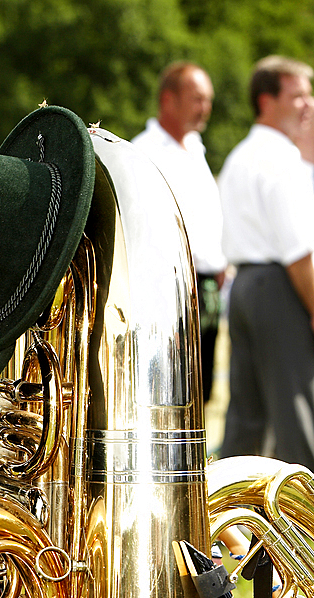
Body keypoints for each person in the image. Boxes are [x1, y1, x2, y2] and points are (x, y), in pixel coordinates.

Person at [219, 55, 314, 467]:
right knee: (298, 414)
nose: (308, 104)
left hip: (244, 287)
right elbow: (299, 253)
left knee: (245, 419)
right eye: (297, 95)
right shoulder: (281, 159)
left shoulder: (240, 155)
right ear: (266, 100)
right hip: (280, 288)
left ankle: (228, 523)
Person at [132, 62, 226, 403]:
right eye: (197, 98)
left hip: (206, 286)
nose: (206, 108)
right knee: (173, 393)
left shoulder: (196, 147)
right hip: (167, 289)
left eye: (208, 99)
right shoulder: (143, 152)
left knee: (202, 391)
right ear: (168, 99)